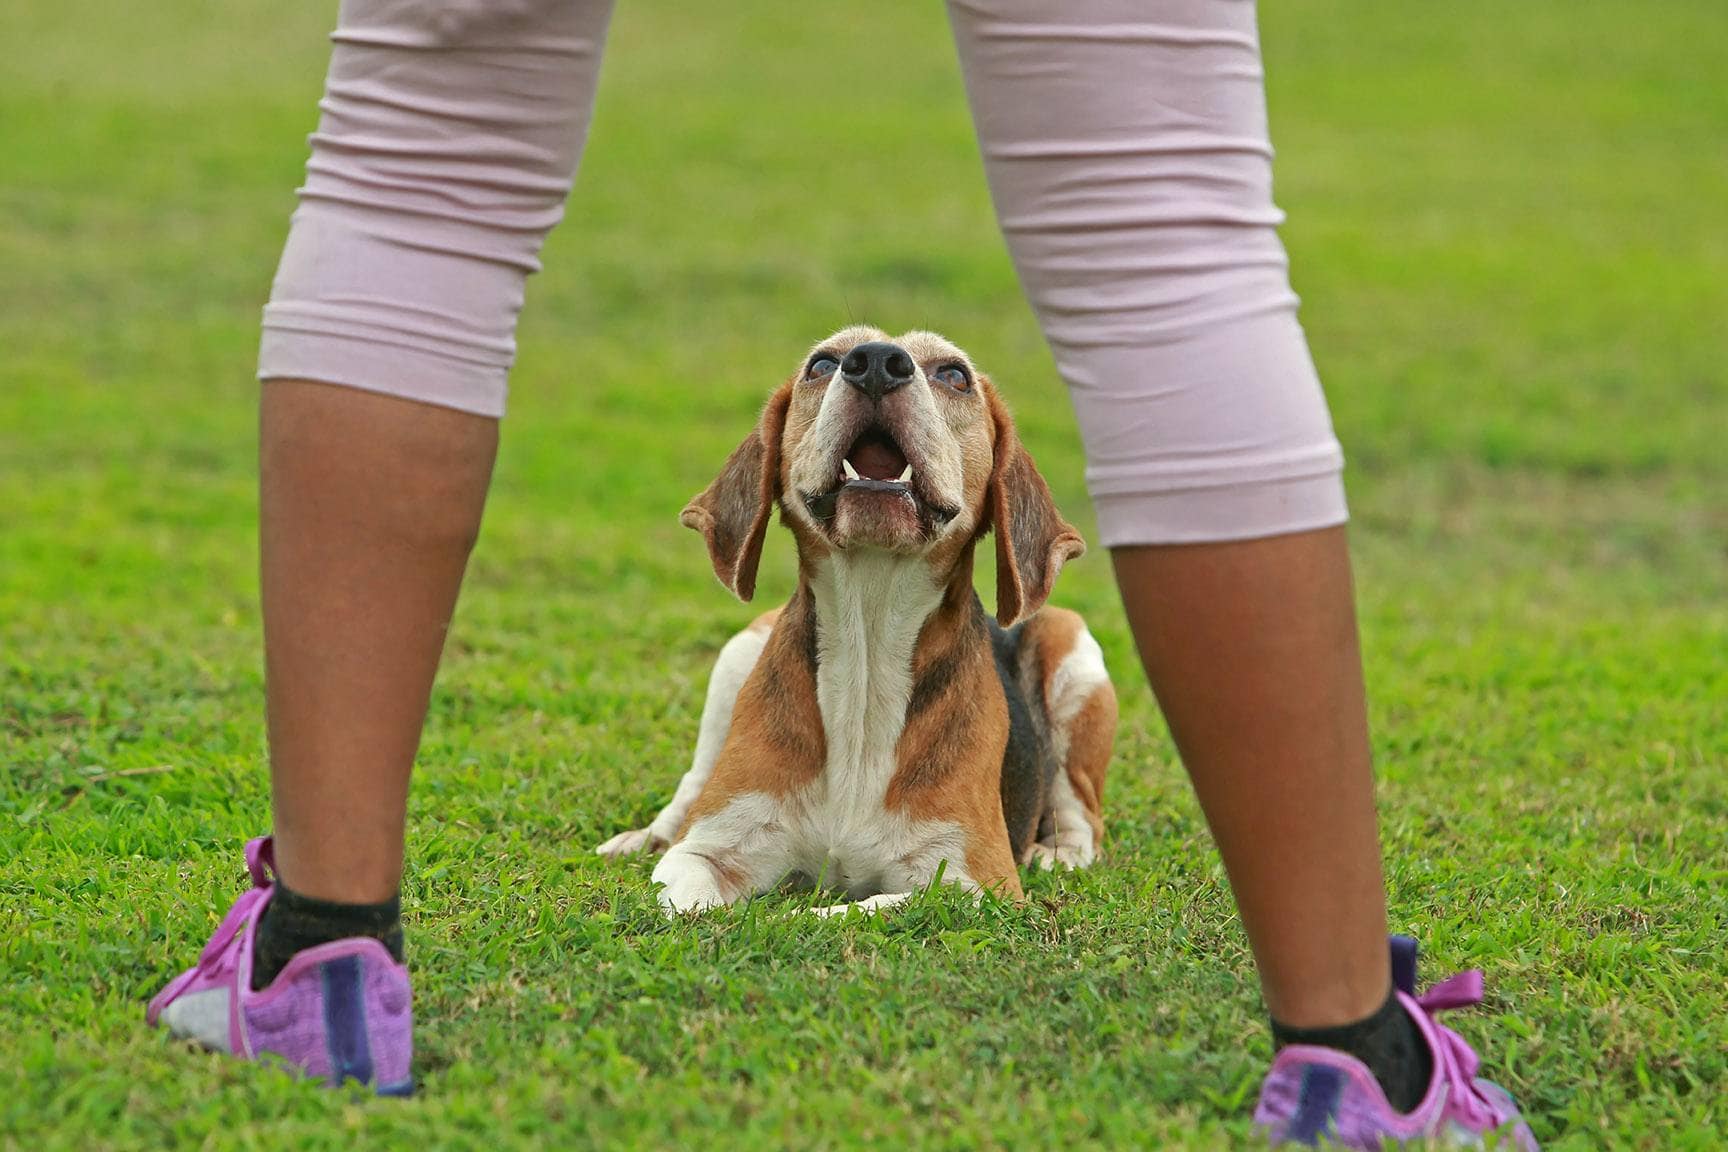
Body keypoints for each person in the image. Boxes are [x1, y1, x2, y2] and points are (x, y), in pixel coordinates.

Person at [144, 2, 1538, 1145]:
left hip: (955, 729)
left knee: (428, 143)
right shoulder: (764, 638)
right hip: (808, 730)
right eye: (844, 372)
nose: (882, 382)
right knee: (1159, 214)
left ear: (997, 488)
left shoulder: (1015, 625)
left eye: (938, 380)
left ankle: (321, 953)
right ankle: (1355, 1065)